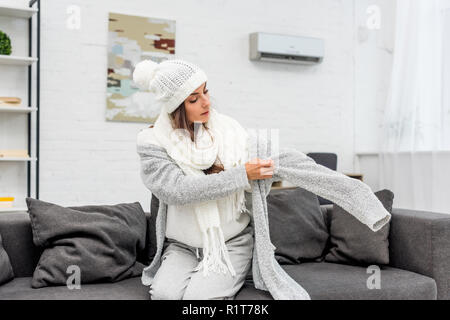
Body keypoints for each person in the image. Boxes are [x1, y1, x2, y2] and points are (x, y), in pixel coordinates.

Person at [133, 59, 391, 300]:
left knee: (198, 299)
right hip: (182, 247)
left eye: (206, 91)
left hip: (230, 244)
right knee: (164, 295)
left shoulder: (230, 133)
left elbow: (297, 164)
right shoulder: (153, 143)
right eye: (194, 99)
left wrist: (361, 197)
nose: (206, 103)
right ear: (176, 107)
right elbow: (175, 190)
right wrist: (242, 174)